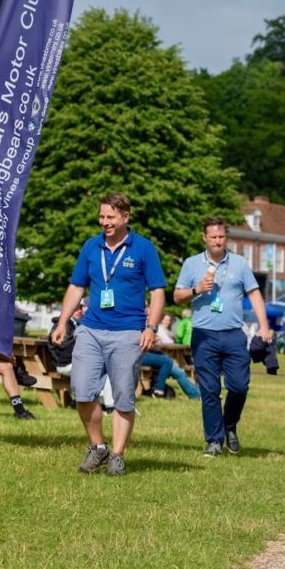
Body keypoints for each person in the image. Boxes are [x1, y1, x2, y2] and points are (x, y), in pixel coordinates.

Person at [51, 193, 167, 476]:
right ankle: (98, 447)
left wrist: (150, 328)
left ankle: (117, 454)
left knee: (124, 395)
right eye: (102, 217)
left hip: (128, 330)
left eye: (110, 217)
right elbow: (77, 287)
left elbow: (158, 291)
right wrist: (62, 322)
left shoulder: (143, 249)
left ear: (126, 217)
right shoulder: (91, 247)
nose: (105, 222)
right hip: (91, 328)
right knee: (81, 389)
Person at [175, 217, 272, 457]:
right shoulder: (191, 264)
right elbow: (177, 297)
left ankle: (230, 425)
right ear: (204, 238)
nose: (218, 241)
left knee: (239, 387)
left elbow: (255, 295)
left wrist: (264, 326)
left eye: (221, 237)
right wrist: (197, 289)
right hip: (204, 336)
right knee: (209, 390)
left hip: (233, 335)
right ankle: (214, 440)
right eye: (213, 237)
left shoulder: (239, 264)